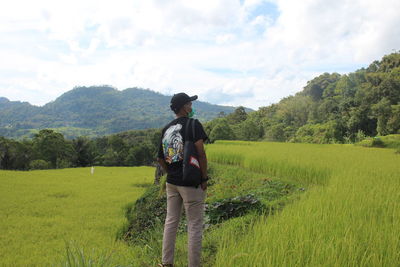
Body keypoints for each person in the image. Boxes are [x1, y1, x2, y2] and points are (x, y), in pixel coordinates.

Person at [157, 92, 209, 267]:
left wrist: (170, 172)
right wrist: (204, 178)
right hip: (190, 182)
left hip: (172, 182)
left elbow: (160, 159)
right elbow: (201, 154)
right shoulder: (193, 125)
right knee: (194, 225)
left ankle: (166, 263)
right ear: (184, 107)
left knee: (171, 221)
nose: (191, 106)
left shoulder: (166, 129)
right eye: (189, 104)